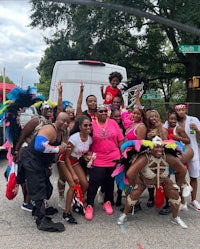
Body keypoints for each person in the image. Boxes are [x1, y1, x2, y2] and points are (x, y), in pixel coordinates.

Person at [117, 136, 188, 229]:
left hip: (163, 180)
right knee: (135, 193)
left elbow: (182, 170)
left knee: (174, 193)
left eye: (161, 147)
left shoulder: (167, 157)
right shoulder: (144, 158)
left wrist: (178, 186)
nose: (160, 149)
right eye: (156, 147)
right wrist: (134, 185)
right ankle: (124, 215)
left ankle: (175, 217)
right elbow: (130, 174)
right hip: (144, 180)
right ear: (150, 148)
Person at [20, 112, 70, 232]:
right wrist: (59, 148)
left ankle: (39, 210)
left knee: (47, 188)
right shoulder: (49, 129)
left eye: (67, 121)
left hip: (41, 163)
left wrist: (49, 164)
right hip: (32, 161)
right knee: (39, 189)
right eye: (62, 120)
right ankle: (41, 220)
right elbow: (39, 146)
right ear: (56, 119)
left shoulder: (61, 133)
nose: (65, 123)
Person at [85, 104, 124, 220]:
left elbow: (120, 139)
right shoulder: (91, 124)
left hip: (113, 156)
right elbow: (87, 140)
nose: (103, 113)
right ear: (96, 113)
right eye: (100, 111)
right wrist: (87, 154)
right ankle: (90, 205)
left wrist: (123, 154)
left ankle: (108, 202)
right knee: (94, 182)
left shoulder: (113, 123)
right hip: (98, 158)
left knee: (109, 181)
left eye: (105, 111)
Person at [58, 115, 92, 224]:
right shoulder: (74, 138)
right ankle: (66, 213)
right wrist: (73, 174)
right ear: (80, 126)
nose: (88, 127)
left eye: (90, 125)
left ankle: (77, 204)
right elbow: (66, 157)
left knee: (85, 184)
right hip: (64, 161)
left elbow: (82, 152)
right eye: (85, 125)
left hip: (75, 160)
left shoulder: (89, 139)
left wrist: (86, 157)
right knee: (74, 185)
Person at [174, 103, 200, 211]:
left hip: (193, 150)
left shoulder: (193, 120)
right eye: (178, 110)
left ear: (186, 110)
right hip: (179, 152)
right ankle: (182, 201)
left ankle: (193, 200)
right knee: (179, 175)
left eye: (182, 110)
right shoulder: (172, 121)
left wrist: (197, 130)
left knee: (194, 176)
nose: (180, 112)